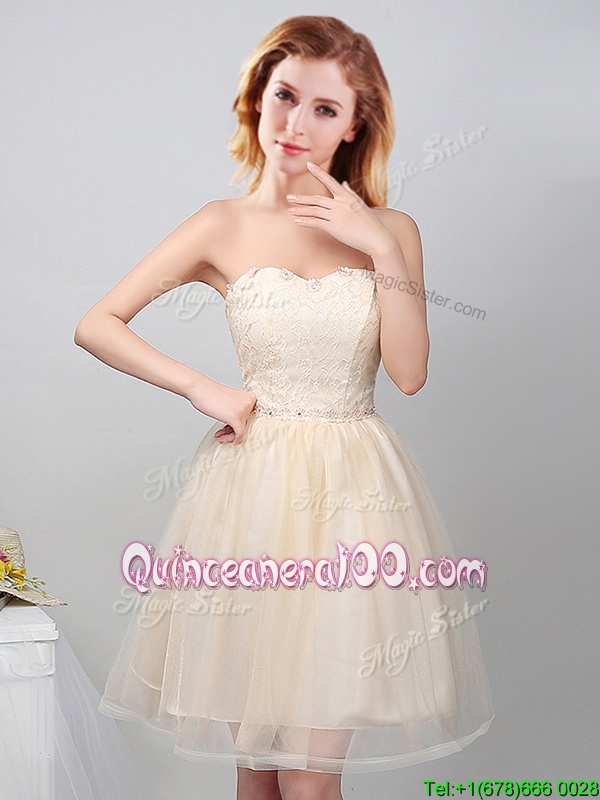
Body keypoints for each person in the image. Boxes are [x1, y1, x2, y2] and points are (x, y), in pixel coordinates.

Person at [74, 15, 495, 800]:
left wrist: (378, 246)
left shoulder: (393, 231)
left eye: (325, 108)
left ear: (355, 124)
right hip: (252, 496)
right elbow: (97, 323)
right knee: (258, 777)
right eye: (285, 96)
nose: (296, 124)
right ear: (258, 98)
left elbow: (408, 373)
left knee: (309, 782)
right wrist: (201, 387)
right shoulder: (221, 224)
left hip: (354, 501)